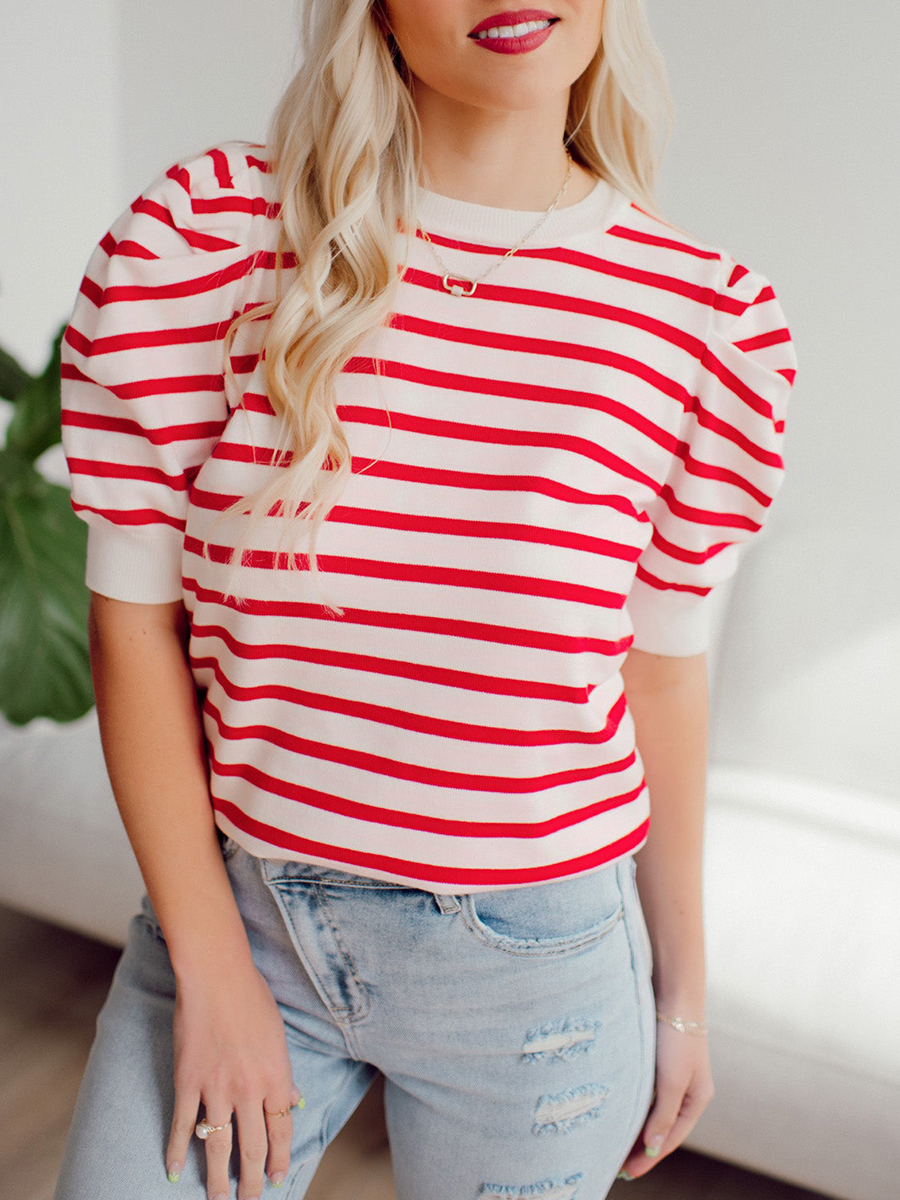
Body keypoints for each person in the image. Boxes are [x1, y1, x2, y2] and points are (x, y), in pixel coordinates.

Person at [54, 1, 797, 1198]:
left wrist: (686, 997)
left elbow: (656, 675)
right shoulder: (205, 239)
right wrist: (212, 964)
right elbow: (137, 622)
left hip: (538, 968)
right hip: (242, 914)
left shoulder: (705, 324)